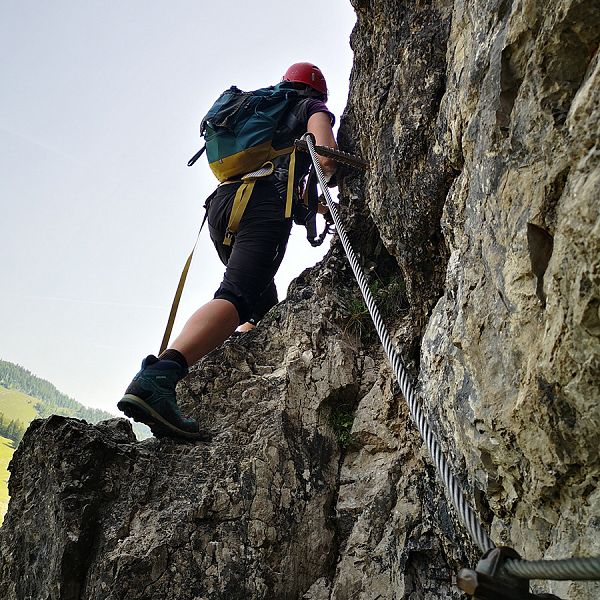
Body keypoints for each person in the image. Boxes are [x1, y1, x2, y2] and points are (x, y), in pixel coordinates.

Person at [117, 63, 338, 440]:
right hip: (260, 208)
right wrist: (334, 174)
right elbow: (327, 157)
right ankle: (160, 376)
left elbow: (287, 181)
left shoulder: (260, 106)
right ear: (317, 92)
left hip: (223, 207)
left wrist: (312, 207)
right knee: (236, 294)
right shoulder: (308, 107)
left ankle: (232, 363)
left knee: (261, 306)